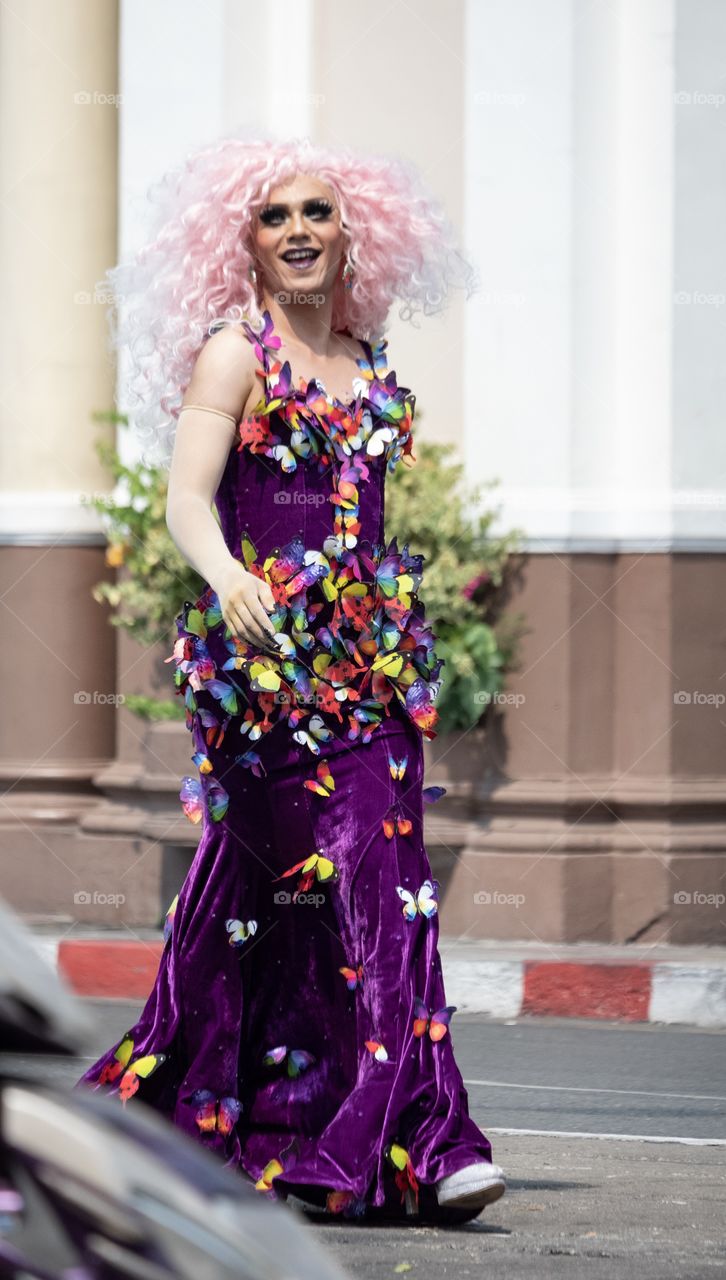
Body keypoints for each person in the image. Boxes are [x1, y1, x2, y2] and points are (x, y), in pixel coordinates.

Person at [75, 134, 506, 1224]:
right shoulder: (236, 353)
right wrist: (227, 576)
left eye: (317, 211)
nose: (299, 230)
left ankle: (425, 1138)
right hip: (262, 674)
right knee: (258, 903)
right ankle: (255, 1117)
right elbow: (187, 498)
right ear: (245, 242)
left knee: (387, 882)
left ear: (355, 231)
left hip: (369, 667)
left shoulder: (367, 353)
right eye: (274, 216)